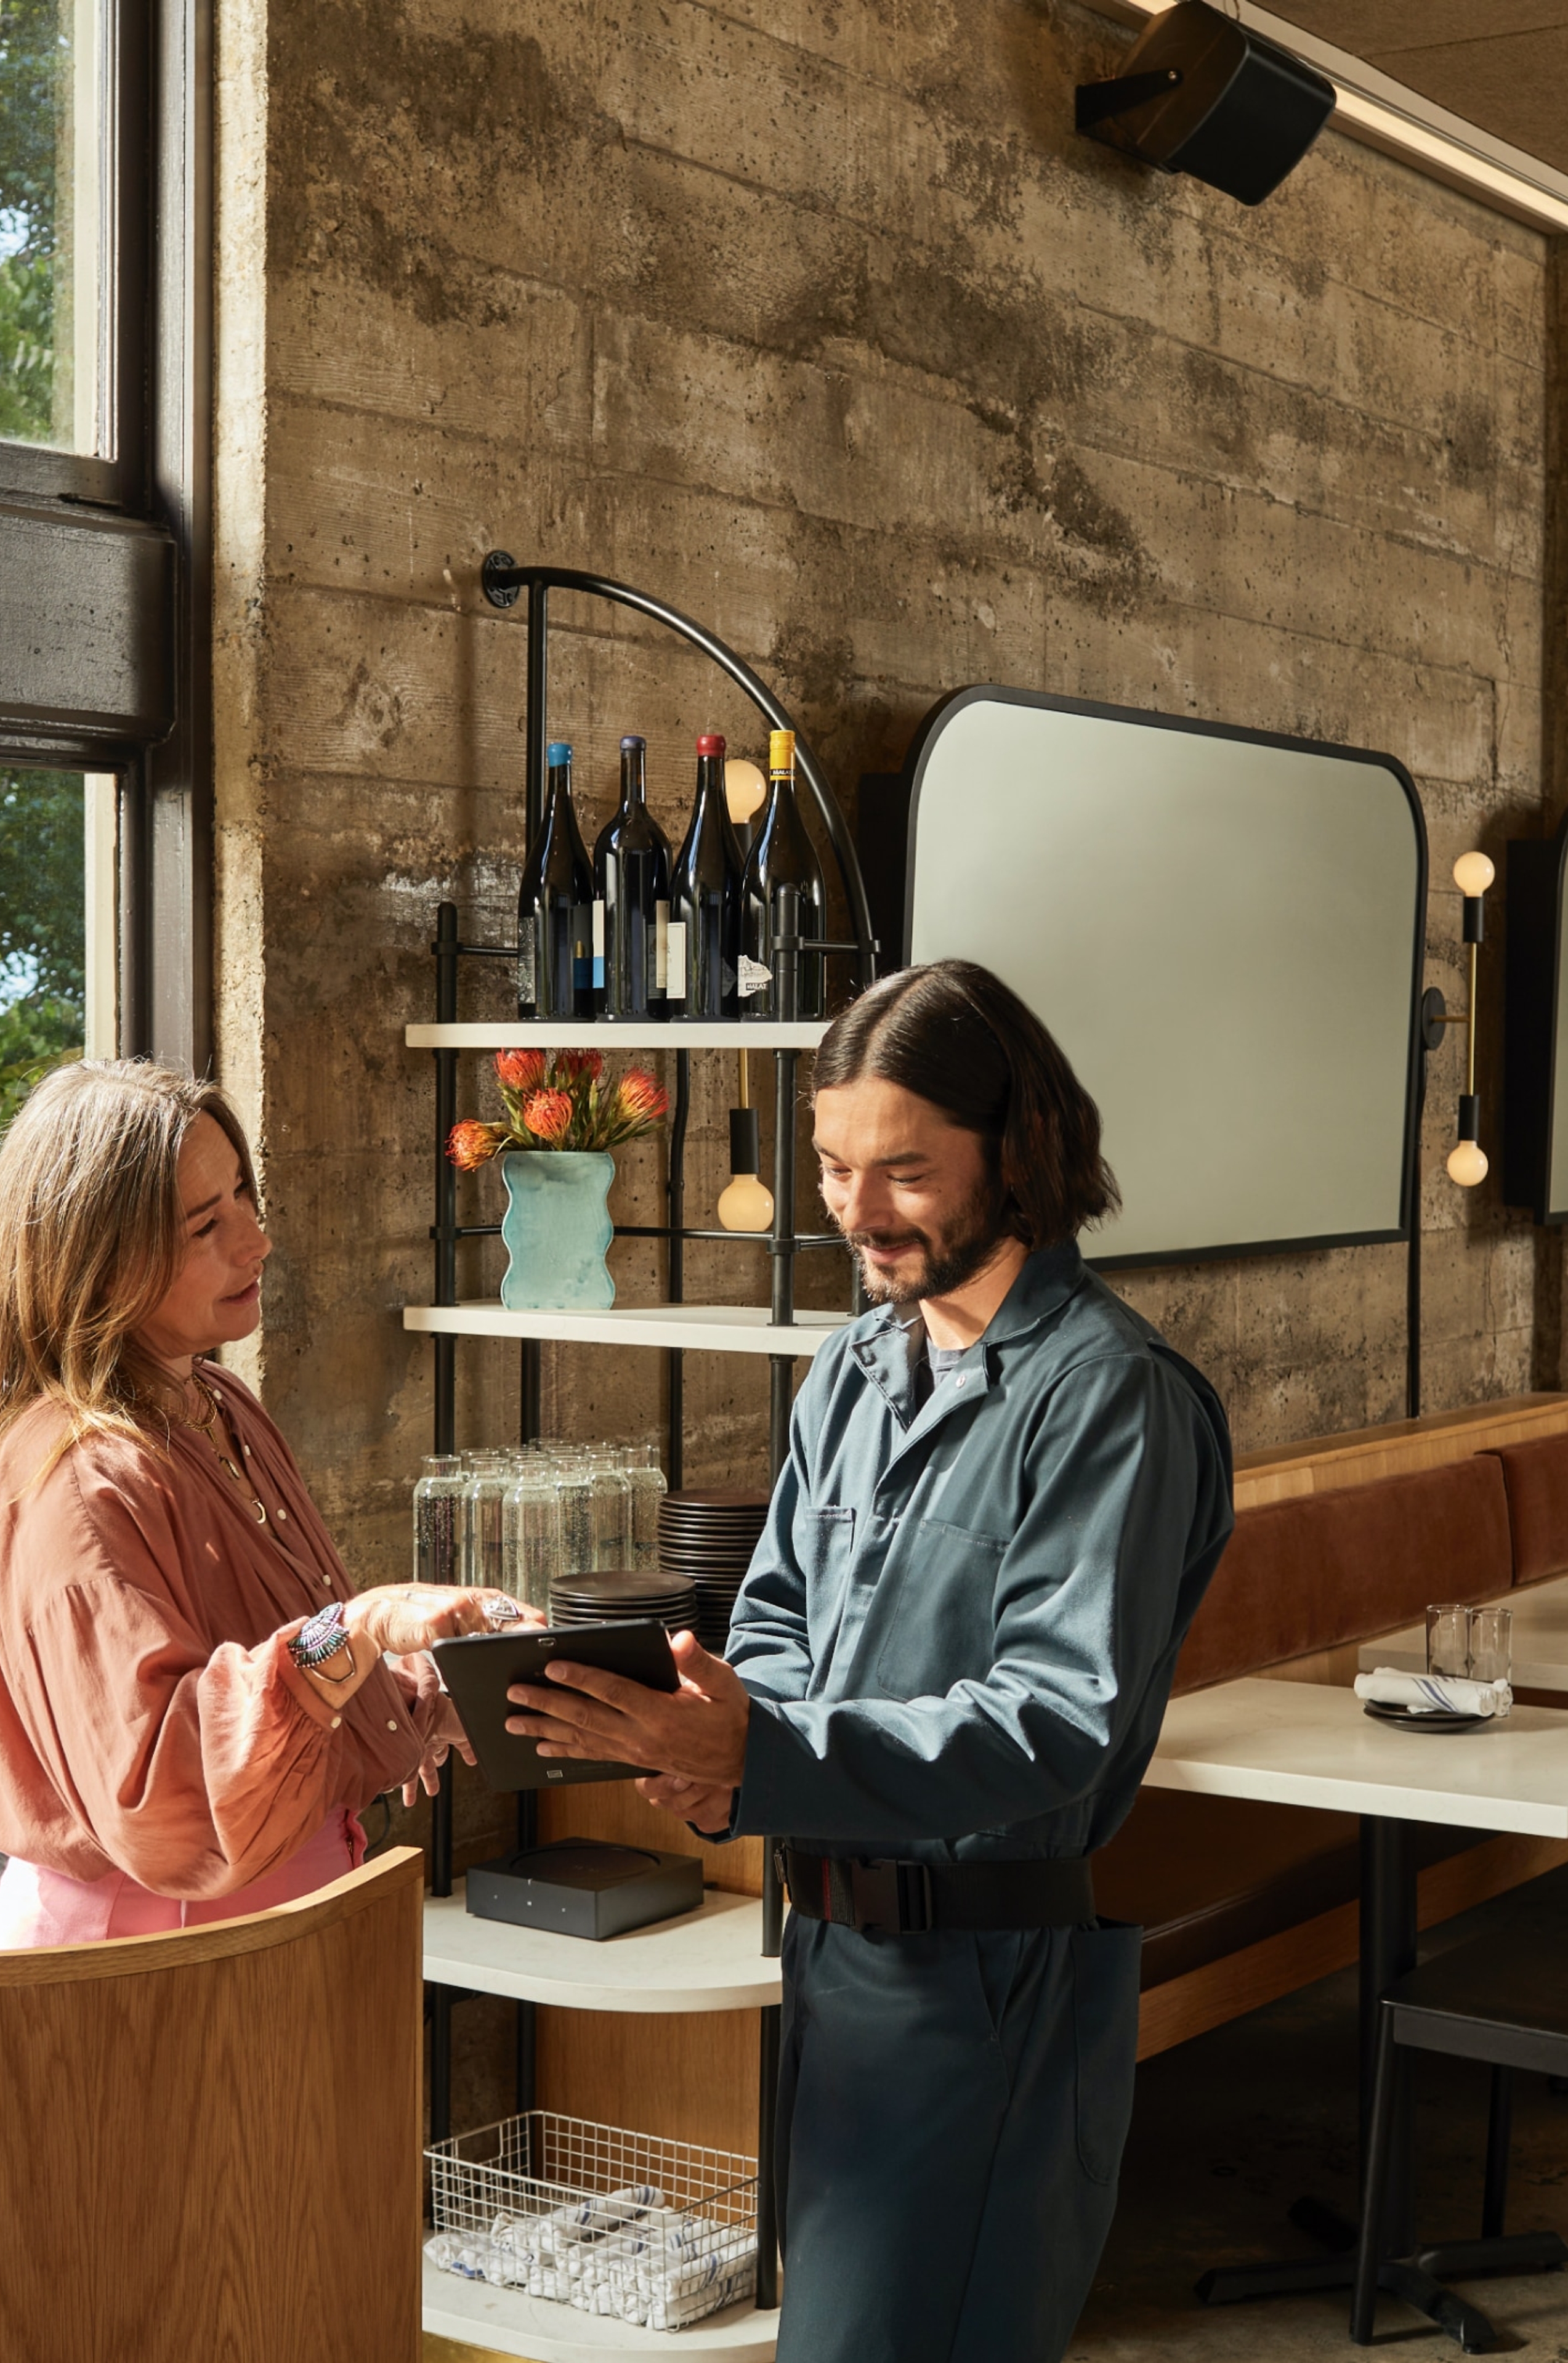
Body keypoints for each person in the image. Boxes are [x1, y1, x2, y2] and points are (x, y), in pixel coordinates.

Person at [504, 960, 1234, 2362]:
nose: (854, 1209)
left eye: (903, 1169)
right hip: (830, 1957)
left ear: (1019, 1153)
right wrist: (712, 1738)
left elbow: (1052, 1722)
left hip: (990, 1976)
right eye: (834, 1167)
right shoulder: (851, 1367)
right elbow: (775, 1613)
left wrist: (763, 1758)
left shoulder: (1113, 1397)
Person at [0, 1058, 528, 1948]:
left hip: (261, 1940)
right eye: (208, 1225)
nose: (256, 1243)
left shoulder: (219, 1403)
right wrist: (362, 1628)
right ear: (97, 1261)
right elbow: (166, 1784)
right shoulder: (73, 1477)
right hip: (136, 1966)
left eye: (247, 1200)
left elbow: (271, 1682)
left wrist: (422, 1688)